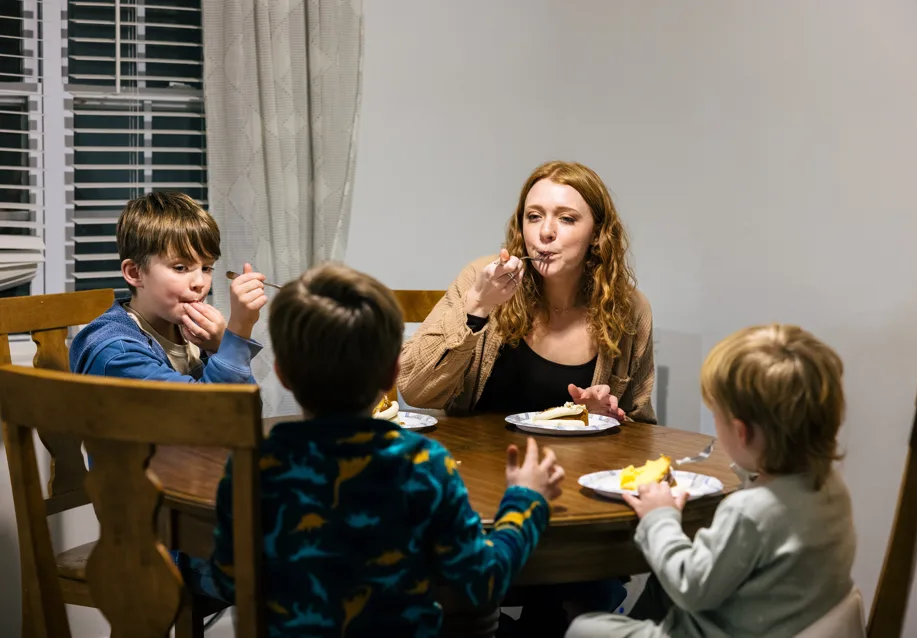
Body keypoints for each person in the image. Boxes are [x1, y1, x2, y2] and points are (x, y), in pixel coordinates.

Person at [203, 262, 566, 637]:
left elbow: (227, 581)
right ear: (393, 373)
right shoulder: (422, 465)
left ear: (281, 373)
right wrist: (525, 500)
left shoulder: (253, 466)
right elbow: (480, 583)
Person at [399, 160, 655, 633]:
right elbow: (413, 388)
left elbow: (643, 430)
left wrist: (608, 417)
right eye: (534, 216)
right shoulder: (483, 279)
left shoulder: (628, 309)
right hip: (473, 491)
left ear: (598, 234)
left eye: (567, 218)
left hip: (572, 498)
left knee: (583, 589)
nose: (546, 233)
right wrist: (478, 309)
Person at [566, 324, 857, 638]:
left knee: (585, 628)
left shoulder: (748, 512)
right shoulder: (829, 486)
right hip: (779, 622)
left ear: (741, 433)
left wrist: (659, 517)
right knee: (659, 587)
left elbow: (691, 587)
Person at [70, 191, 266, 383]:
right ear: (135, 273)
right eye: (181, 268)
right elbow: (207, 412)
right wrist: (238, 331)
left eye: (206, 267)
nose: (200, 282)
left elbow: (247, 409)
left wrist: (219, 345)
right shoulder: (118, 355)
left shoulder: (192, 330)